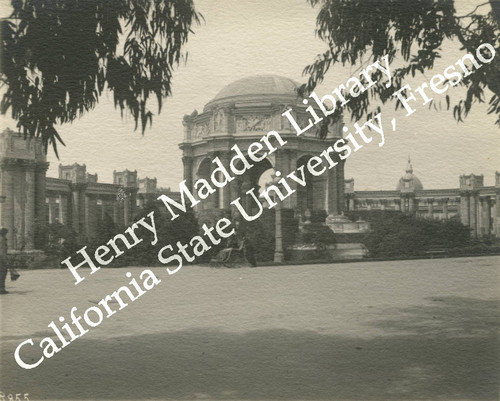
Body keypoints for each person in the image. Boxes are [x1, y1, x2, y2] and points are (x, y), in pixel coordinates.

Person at [0, 228, 9, 294]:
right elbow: (2, 251)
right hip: (1, 259)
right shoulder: (2, 239)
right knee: (3, 273)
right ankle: (1, 289)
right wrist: (5, 260)